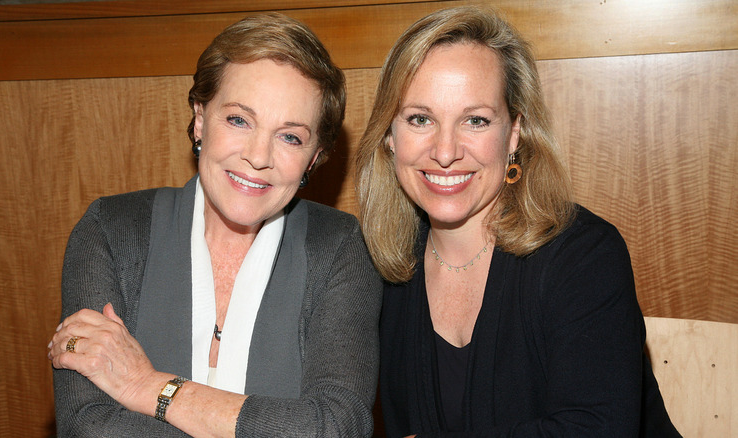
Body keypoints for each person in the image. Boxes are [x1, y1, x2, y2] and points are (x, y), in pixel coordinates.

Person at [47, 13, 382, 437]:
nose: (259, 156)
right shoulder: (111, 231)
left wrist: (146, 385)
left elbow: (336, 427)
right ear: (201, 118)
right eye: (239, 120)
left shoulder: (340, 247)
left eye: (290, 137)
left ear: (314, 158)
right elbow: (88, 428)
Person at [356, 6, 679, 437]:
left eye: (475, 120)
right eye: (420, 118)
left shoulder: (585, 256)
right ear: (389, 137)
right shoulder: (374, 266)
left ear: (513, 133)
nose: (446, 150)